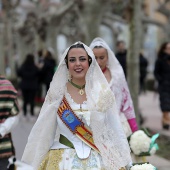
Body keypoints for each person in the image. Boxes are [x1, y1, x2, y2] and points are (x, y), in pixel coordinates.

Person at [22, 42, 132, 170]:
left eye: (82, 59)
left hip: (98, 159)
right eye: (72, 60)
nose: (77, 64)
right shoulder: (57, 94)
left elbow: (116, 129)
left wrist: (127, 162)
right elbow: (45, 131)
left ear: (90, 62)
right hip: (62, 160)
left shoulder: (102, 93)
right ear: (67, 64)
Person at [90, 37, 138, 137]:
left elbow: (127, 102)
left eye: (102, 58)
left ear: (108, 57)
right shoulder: (86, 77)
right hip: (93, 128)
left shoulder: (117, 75)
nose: (98, 62)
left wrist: (135, 129)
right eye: (95, 58)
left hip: (119, 127)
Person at [0, 74, 19, 170]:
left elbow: (14, 116)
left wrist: (1, 130)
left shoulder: (6, 87)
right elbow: (14, 116)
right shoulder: (7, 86)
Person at [17, 53, 39, 118]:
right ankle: (32, 113)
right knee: (32, 100)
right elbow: (38, 74)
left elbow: (19, 73)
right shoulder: (34, 66)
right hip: (33, 85)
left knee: (25, 100)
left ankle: (25, 113)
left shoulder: (23, 66)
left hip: (24, 85)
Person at [154, 42, 170, 130]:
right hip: (164, 86)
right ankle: (166, 122)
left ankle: (165, 120)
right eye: (168, 48)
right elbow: (156, 72)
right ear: (164, 49)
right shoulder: (160, 60)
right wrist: (161, 80)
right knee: (165, 104)